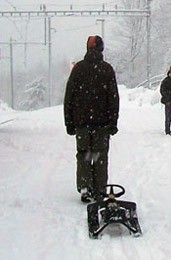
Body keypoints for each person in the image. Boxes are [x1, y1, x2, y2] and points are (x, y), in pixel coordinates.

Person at [64, 35, 119, 203]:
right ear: (101, 49)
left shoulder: (78, 69)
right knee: (100, 155)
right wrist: (113, 121)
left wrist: (69, 122)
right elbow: (113, 98)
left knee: (85, 154)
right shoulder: (107, 69)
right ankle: (100, 189)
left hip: (81, 123)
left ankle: (85, 187)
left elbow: (69, 97)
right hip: (102, 123)